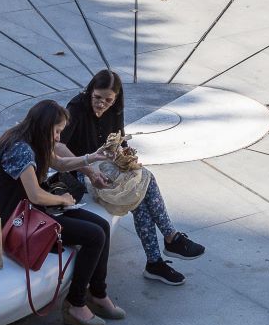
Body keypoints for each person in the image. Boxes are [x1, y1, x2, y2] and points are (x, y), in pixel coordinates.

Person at [55, 69, 207, 286]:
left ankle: (158, 258)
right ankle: (167, 243)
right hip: (80, 172)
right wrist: (88, 168)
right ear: (90, 92)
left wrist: (128, 158)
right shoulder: (77, 108)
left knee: (141, 183)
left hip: (106, 166)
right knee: (142, 185)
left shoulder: (115, 109)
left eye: (108, 100)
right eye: (97, 98)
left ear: (115, 98)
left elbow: (119, 141)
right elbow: (58, 146)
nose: (101, 104)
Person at [0, 99, 123, 325]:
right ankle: (75, 305)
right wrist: (63, 200)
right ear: (44, 126)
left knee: (102, 227)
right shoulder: (20, 148)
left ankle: (97, 294)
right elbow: (36, 195)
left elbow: (58, 162)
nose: (58, 138)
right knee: (94, 236)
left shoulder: (28, 137)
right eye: (57, 131)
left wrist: (91, 158)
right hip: (13, 223)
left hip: (28, 213)